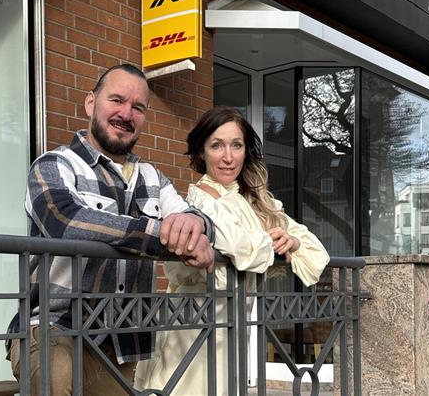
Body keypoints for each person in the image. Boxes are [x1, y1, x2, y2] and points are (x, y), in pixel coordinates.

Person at [6, 64, 216, 396]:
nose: (126, 114)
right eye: (116, 100)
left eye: (138, 107)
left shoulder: (153, 178)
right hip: (51, 326)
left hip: (120, 341)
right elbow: (66, 222)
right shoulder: (54, 165)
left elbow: (190, 217)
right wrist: (161, 236)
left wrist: (197, 225)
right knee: (55, 375)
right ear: (91, 103)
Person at [135, 106, 330, 395]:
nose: (228, 157)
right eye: (217, 145)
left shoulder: (253, 201)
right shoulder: (197, 201)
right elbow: (238, 247)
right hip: (193, 326)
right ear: (201, 152)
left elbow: (316, 251)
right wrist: (273, 243)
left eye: (236, 145)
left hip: (233, 329)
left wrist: (293, 241)